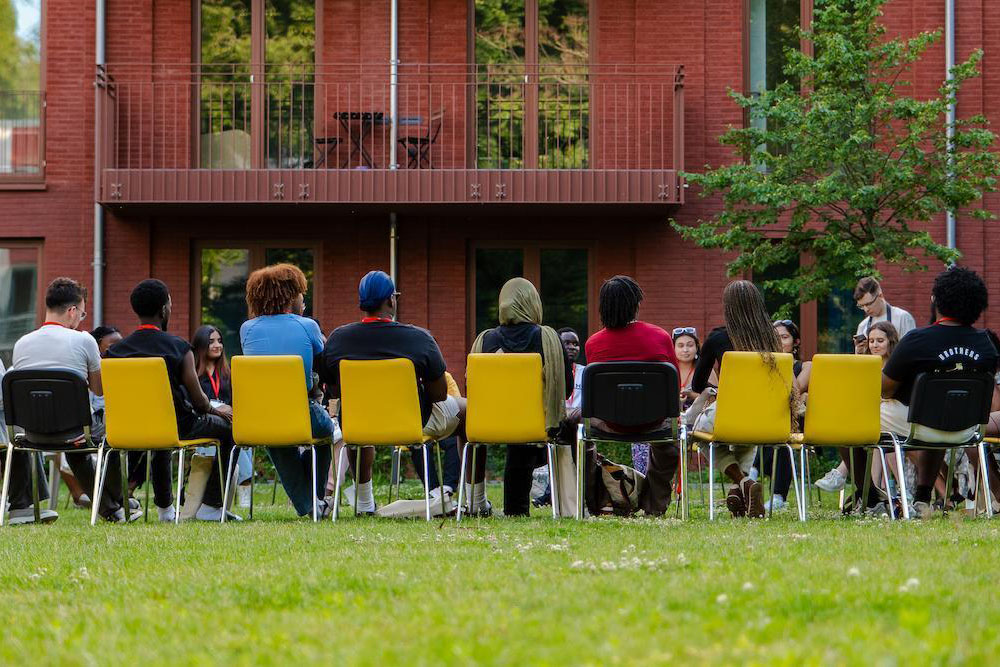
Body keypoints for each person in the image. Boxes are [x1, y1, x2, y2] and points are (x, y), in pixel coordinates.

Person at [845, 267, 998, 518]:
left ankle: (869, 495)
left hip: (922, 426)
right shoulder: (987, 343)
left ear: (935, 300)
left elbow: (885, 389)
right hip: (968, 429)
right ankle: (923, 498)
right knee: (939, 410)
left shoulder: (917, 340)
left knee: (847, 417)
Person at [322, 270, 464, 515]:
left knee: (358, 421)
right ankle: (476, 500)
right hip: (414, 423)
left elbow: (333, 390)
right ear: (391, 300)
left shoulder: (338, 339)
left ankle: (365, 505)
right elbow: (440, 394)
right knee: (467, 409)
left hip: (359, 424)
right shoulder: (420, 338)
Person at [4, 279, 138, 524]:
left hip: (31, 433)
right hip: (75, 431)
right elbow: (99, 390)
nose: (81, 319)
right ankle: (120, 500)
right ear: (72, 311)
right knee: (115, 431)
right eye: (82, 313)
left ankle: (113, 509)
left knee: (79, 448)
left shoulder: (22, 343)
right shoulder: (84, 340)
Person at [107, 279, 237, 522]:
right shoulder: (178, 347)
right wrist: (217, 411)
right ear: (164, 309)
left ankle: (166, 510)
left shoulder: (116, 351)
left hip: (128, 427)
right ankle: (211, 505)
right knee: (231, 429)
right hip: (177, 425)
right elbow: (199, 401)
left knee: (161, 440)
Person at [239, 264, 335, 519]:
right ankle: (314, 501)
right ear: (292, 294)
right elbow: (319, 359)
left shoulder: (246, 329)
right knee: (326, 433)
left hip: (264, 416)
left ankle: (309, 505)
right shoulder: (308, 325)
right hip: (303, 410)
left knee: (277, 438)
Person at [469, 277, 570, 517]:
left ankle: (498, 505)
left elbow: (473, 388)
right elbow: (565, 390)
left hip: (489, 424)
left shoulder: (484, 340)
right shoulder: (547, 338)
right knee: (568, 429)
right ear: (533, 303)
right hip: (537, 425)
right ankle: (573, 503)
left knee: (520, 437)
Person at [691, 280, 790, 519]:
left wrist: (717, 389)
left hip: (732, 412)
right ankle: (740, 491)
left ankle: (742, 482)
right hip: (767, 416)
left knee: (698, 432)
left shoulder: (717, 339)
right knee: (747, 437)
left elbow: (697, 384)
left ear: (728, 308)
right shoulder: (773, 341)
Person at [584, 275, 680, 516]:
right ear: (636, 303)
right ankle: (654, 505)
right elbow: (674, 385)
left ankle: (601, 497)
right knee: (667, 446)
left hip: (609, 423)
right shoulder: (660, 337)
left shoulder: (593, 344)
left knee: (570, 427)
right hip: (654, 422)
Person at [761, 319, 810, 511]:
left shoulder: (807, 366)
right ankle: (753, 475)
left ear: (796, 342)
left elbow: (795, 392)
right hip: (768, 419)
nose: (779, 342)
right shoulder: (764, 367)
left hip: (797, 421)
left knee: (784, 432)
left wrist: (784, 364)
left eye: (784, 337)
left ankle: (778, 495)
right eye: (775, 338)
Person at [533, 327, 584, 508]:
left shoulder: (585, 373)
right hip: (555, 420)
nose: (572, 347)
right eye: (567, 343)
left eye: (576, 344)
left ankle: (549, 495)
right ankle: (550, 493)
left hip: (577, 423)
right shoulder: (549, 372)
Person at [853, 277, 917, 351]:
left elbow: (911, 351)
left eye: (868, 304)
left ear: (880, 296)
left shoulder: (903, 318)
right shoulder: (863, 326)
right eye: (862, 306)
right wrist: (860, 351)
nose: (866, 309)